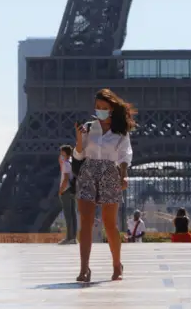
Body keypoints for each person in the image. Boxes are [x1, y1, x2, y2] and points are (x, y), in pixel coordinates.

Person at [73, 88, 135, 282]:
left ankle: (117, 265)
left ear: (112, 109)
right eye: (97, 107)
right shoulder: (88, 128)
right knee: (86, 223)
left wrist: (123, 176)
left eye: (104, 107)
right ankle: (84, 269)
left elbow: (125, 156)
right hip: (89, 172)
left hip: (110, 173)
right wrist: (78, 138)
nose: (99, 110)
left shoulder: (121, 132)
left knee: (109, 224)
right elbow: (78, 155)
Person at [58, 145, 77, 245]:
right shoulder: (70, 162)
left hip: (66, 190)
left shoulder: (65, 164)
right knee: (73, 214)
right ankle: (73, 237)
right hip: (72, 190)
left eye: (61, 152)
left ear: (64, 153)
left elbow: (65, 179)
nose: (60, 153)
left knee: (68, 215)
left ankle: (68, 238)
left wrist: (60, 190)